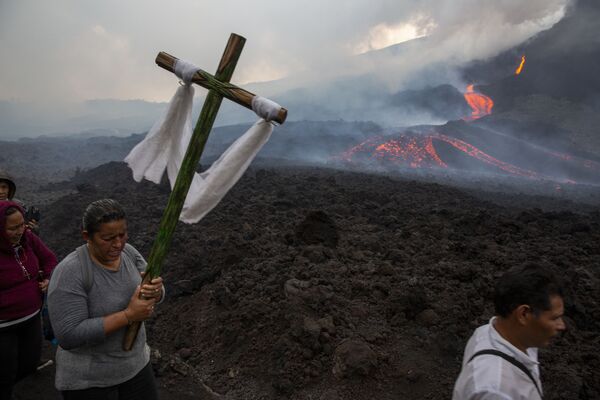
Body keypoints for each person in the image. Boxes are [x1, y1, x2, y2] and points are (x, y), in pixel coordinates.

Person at [48, 199, 164, 399]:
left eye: (122, 234)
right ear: (87, 236)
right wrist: (128, 315)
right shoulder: (70, 272)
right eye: (108, 238)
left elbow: (155, 287)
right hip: (91, 382)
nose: (118, 244)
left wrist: (157, 291)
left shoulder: (129, 252)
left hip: (136, 367)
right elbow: (68, 335)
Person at [452, 264, 566, 400]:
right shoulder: (496, 390)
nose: (562, 326)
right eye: (555, 318)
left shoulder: (488, 332)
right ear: (523, 314)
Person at [0, 201, 57, 400]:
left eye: (22, 225)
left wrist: (49, 277)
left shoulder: (28, 239)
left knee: (29, 363)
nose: (19, 231)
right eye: (12, 228)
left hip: (32, 318)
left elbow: (49, 258)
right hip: (4, 325)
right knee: (4, 372)